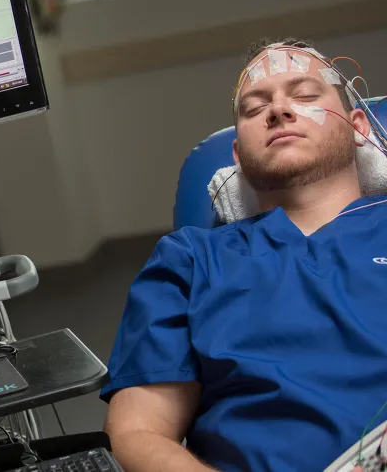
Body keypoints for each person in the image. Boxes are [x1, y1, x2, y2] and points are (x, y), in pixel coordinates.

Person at [101, 38, 387, 471]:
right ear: (238, 154)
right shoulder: (191, 261)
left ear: (359, 126)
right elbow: (137, 432)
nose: (278, 110)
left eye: (306, 95)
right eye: (254, 109)